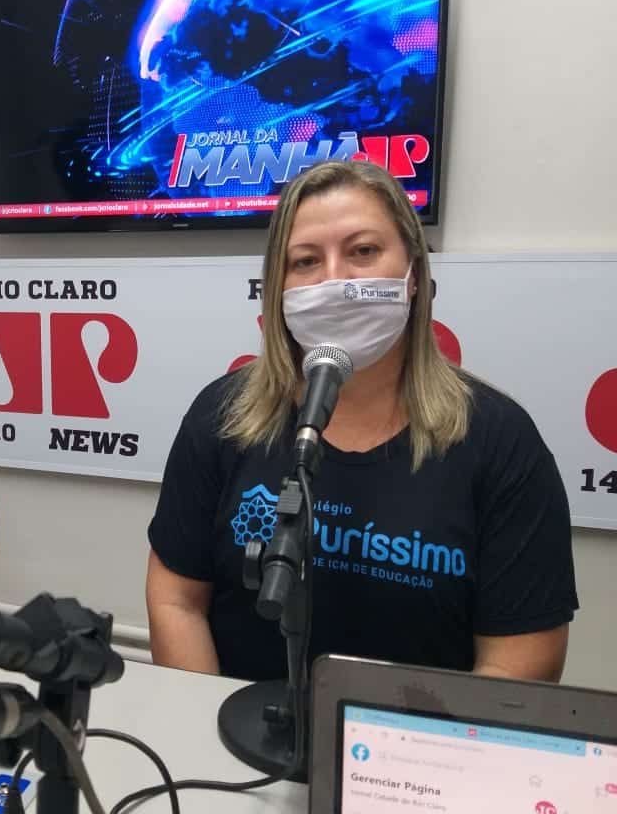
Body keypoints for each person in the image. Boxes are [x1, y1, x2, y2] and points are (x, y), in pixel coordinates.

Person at [147, 160, 577, 683]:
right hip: (234, 727)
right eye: (306, 261)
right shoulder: (222, 415)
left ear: (413, 275)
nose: (335, 280)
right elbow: (177, 600)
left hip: (417, 736)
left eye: (363, 251)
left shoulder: (501, 440)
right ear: (277, 287)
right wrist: (203, 719)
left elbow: (521, 659)